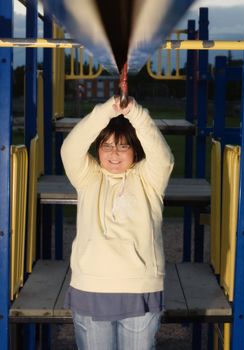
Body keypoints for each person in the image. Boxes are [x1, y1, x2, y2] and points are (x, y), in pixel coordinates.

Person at [61, 96, 174, 350]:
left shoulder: (150, 178)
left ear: (135, 150)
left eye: (123, 146)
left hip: (139, 287)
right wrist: (107, 111)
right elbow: (69, 149)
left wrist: (134, 112)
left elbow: (163, 155)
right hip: (91, 286)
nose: (113, 153)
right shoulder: (88, 176)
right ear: (97, 149)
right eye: (106, 145)